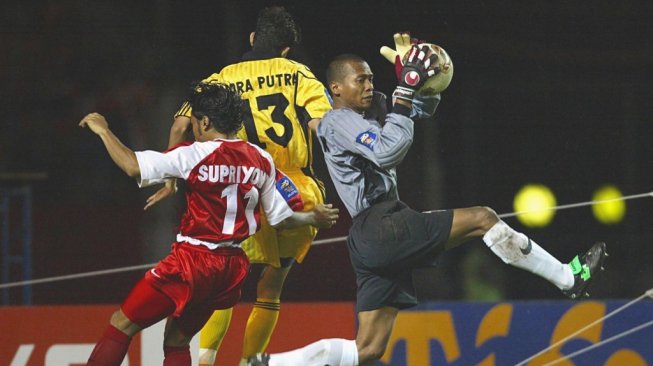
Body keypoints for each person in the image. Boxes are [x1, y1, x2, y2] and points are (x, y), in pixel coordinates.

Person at [247, 42, 608, 366]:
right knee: (483, 218)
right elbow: (389, 150)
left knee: (369, 349)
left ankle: (268, 364)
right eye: (361, 80)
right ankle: (567, 278)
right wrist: (404, 91)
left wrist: (420, 77)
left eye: (372, 78)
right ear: (336, 88)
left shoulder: (370, 110)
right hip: (382, 224)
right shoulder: (336, 120)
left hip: (374, 235)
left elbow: (421, 111)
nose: (370, 85)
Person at [79, 82, 338, 365]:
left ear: (204, 121)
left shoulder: (194, 153)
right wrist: (313, 217)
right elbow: (281, 219)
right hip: (231, 268)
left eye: (193, 122)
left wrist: (104, 130)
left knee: (121, 324)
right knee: (177, 340)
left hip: (192, 261)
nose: (192, 128)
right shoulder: (260, 158)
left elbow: (132, 166)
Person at [144, 6, 334, 365]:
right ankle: (251, 362)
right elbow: (320, 125)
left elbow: (181, 127)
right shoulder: (298, 74)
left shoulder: (220, 79)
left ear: (251, 39)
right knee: (271, 288)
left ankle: (206, 359)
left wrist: (172, 179)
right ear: (286, 50)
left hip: (245, 187)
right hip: (298, 192)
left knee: (225, 285)